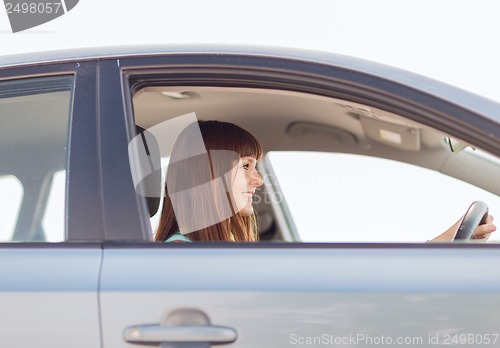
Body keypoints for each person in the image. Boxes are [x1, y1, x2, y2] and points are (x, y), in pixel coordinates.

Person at [155, 120, 496, 243]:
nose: (257, 180)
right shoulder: (181, 259)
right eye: (245, 166)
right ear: (209, 173)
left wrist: (444, 242)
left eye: (256, 167)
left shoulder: (203, 255)